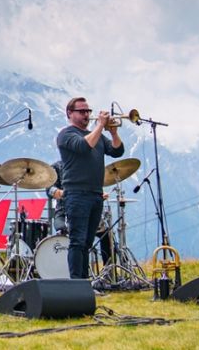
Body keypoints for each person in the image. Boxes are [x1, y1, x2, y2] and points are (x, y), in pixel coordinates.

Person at [56, 97, 124, 280]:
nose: (87, 115)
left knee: (87, 242)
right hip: (77, 194)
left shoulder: (98, 136)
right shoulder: (67, 134)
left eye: (88, 111)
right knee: (77, 241)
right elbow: (84, 146)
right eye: (82, 111)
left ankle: (84, 283)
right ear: (70, 113)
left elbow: (117, 151)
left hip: (95, 193)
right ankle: (76, 283)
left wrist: (114, 133)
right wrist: (100, 126)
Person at [46, 160, 113, 266]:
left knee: (105, 233)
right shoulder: (56, 167)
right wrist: (58, 192)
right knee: (63, 229)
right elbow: (49, 188)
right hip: (63, 212)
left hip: (86, 212)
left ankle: (108, 270)